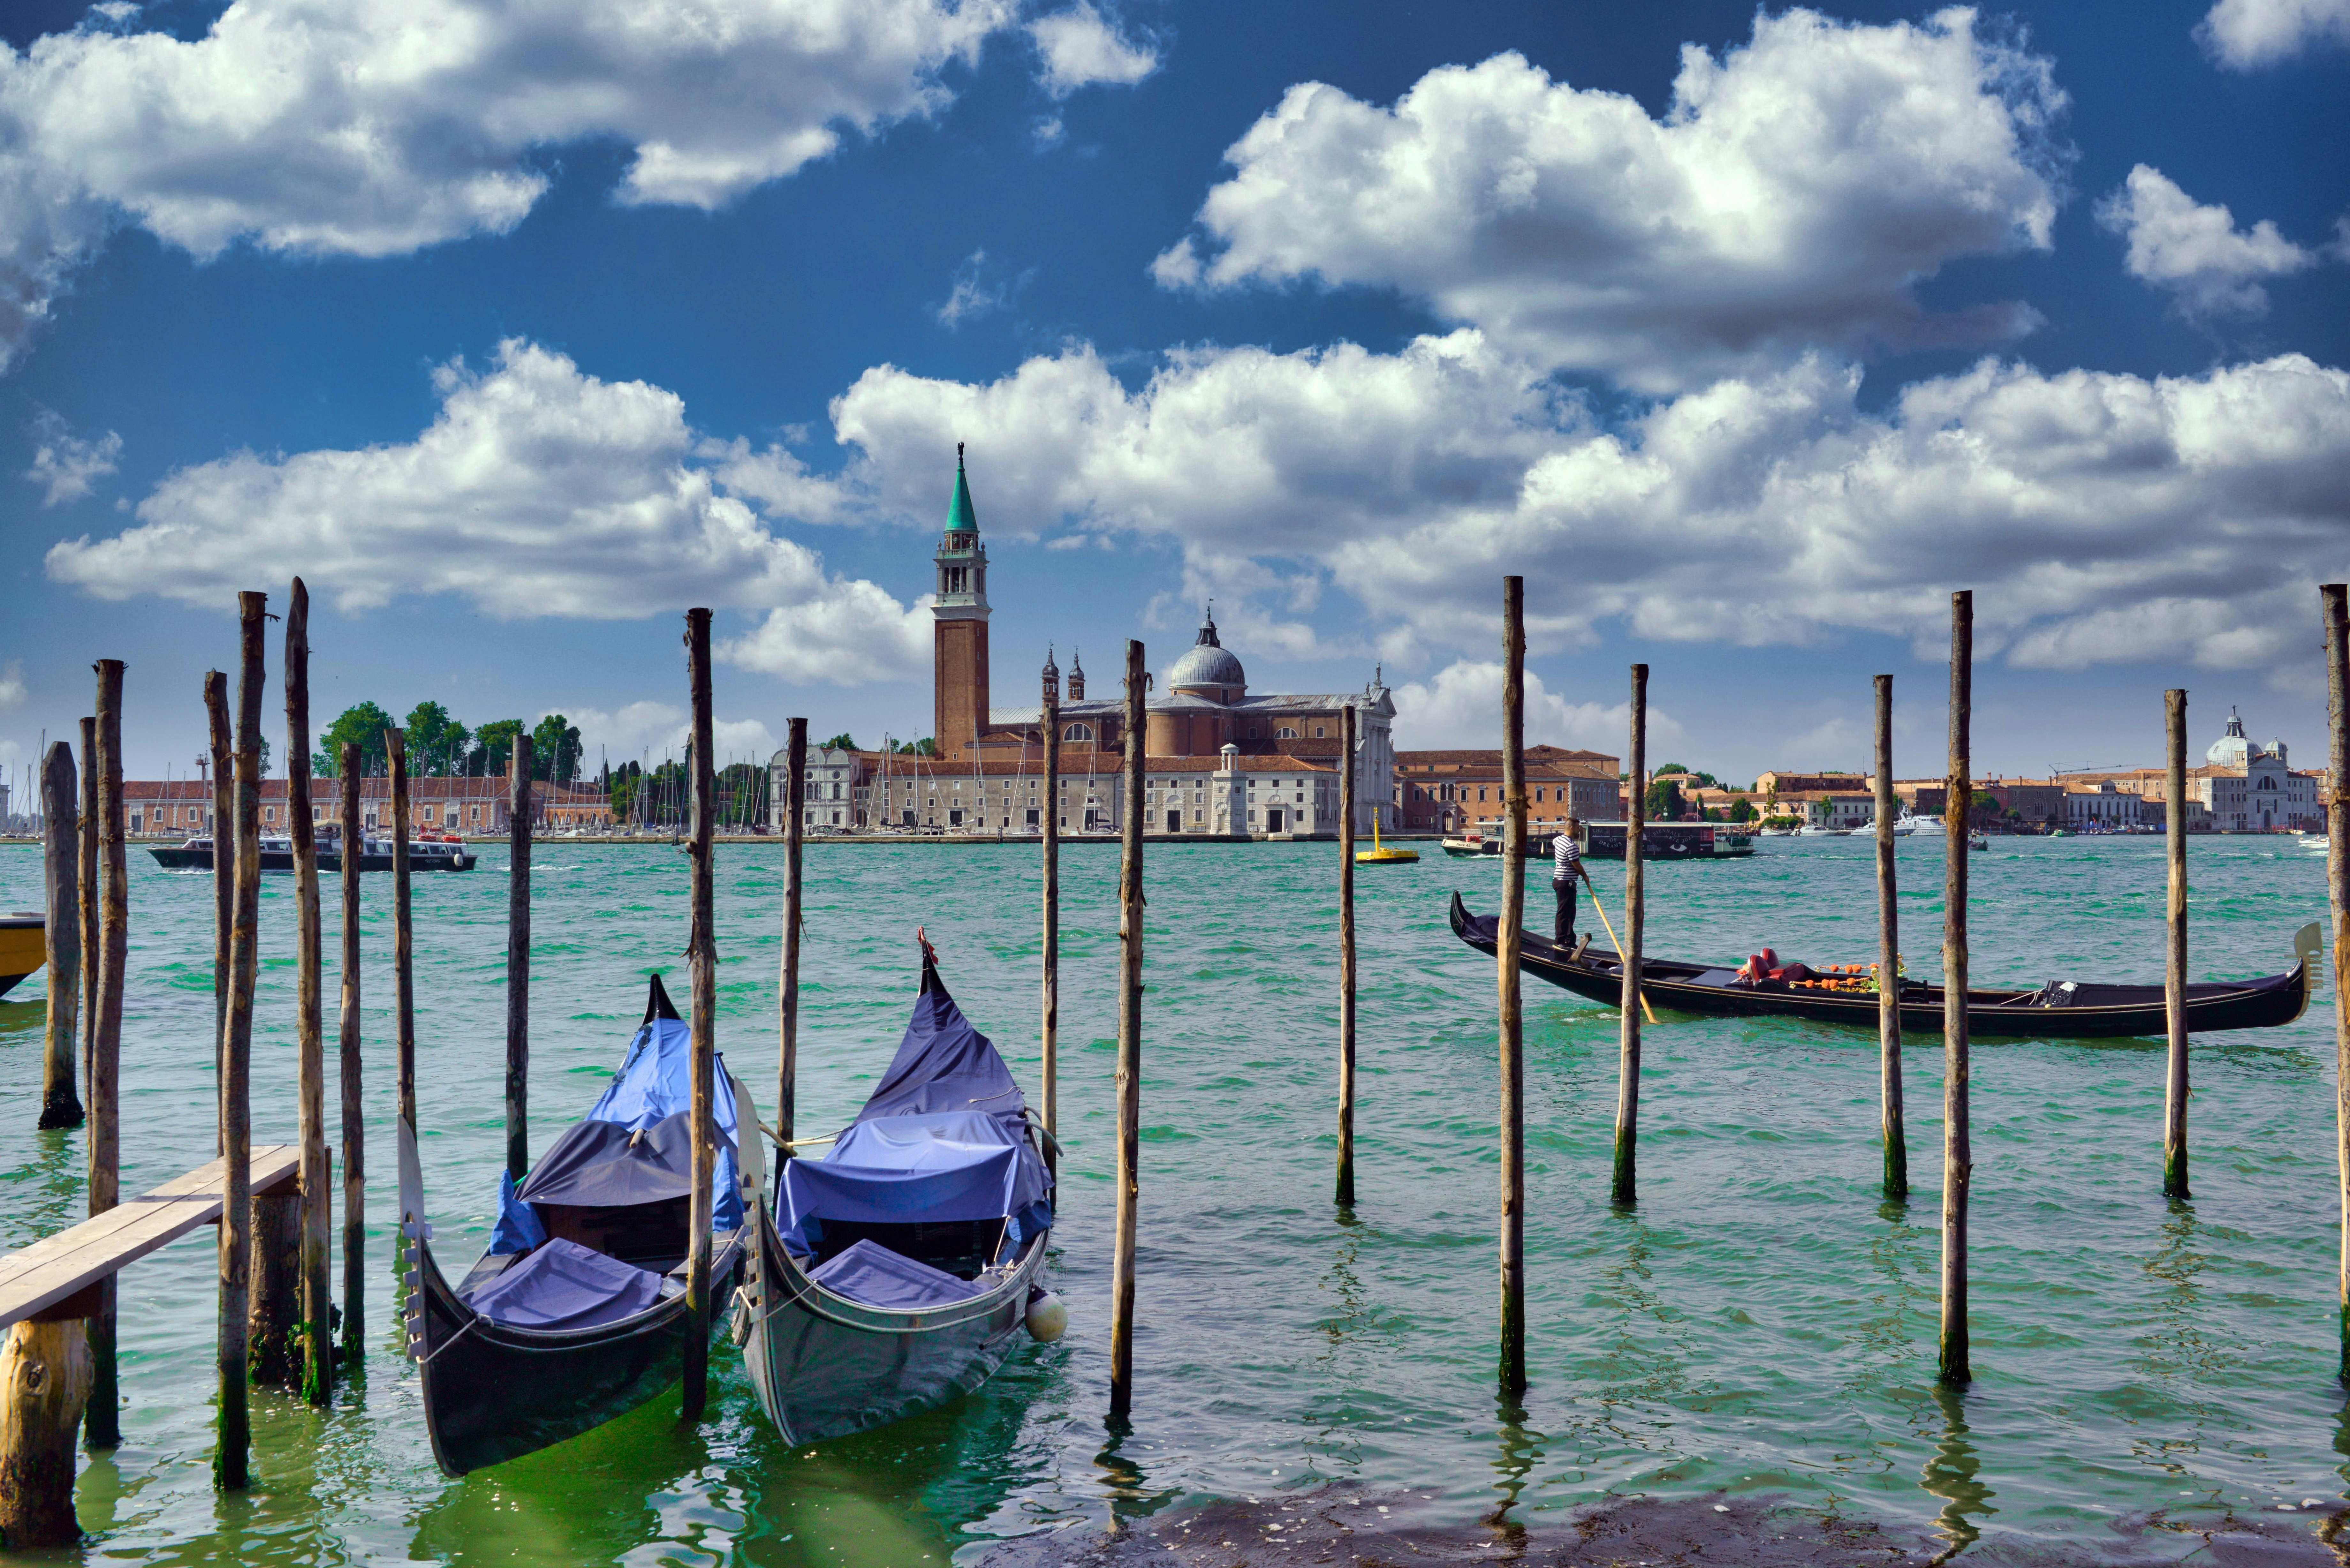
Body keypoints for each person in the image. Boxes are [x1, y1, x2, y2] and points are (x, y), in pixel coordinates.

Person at [1552, 816, 1592, 952]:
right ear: (1571, 828)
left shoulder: (1559, 840)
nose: (1580, 831)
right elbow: (1577, 865)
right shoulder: (1572, 847)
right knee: (1564, 912)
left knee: (1571, 912)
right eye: (1578, 828)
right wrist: (1585, 876)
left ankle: (1569, 940)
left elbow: (1555, 842)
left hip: (1562, 881)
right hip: (1565, 883)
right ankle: (1560, 941)